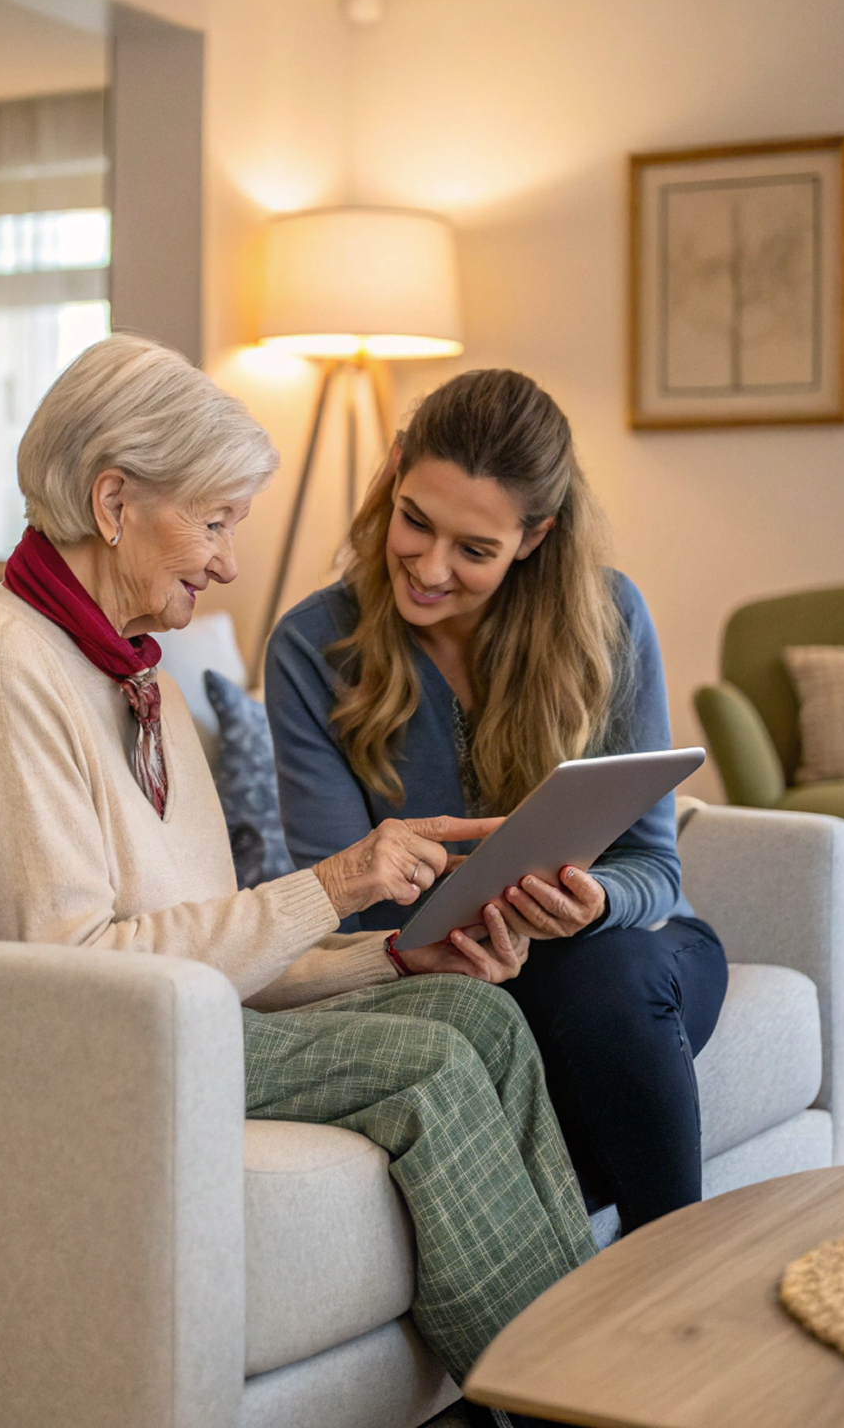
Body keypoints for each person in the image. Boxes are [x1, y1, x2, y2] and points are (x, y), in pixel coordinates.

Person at [0, 335, 597, 1389]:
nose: (227, 563)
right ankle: (553, 1400)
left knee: (481, 1015)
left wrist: (396, 955)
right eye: (214, 522)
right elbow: (77, 969)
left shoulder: (138, 680)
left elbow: (216, 951)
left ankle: (592, 1367)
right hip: (51, 1049)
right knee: (431, 1065)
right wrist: (336, 884)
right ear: (113, 501)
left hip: (167, 1018)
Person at [265, 367, 729, 1236]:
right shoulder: (312, 647)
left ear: (535, 536)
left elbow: (654, 870)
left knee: (603, 981)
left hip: (627, 956)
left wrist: (593, 903)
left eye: (474, 550)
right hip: (446, 981)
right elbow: (344, 911)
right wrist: (450, 943)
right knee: (521, 1026)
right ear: (394, 470)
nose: (429, 567)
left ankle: (668, 1275)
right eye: (415, 520)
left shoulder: (607, 616)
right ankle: (632, 1291)